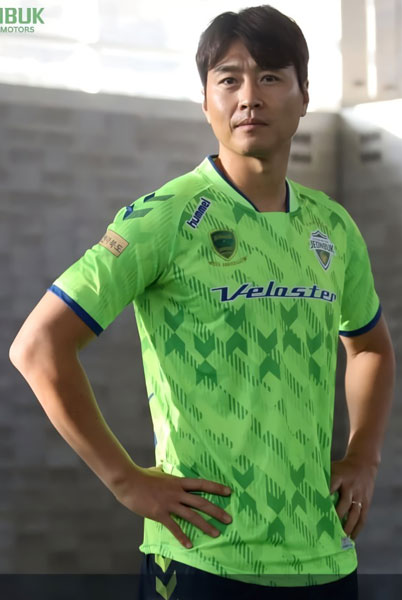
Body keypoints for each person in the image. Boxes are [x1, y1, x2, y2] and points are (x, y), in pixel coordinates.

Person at [9, 4, 395, 600]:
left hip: (324, 556)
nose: (249, 97)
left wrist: (363, 456)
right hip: (203, 559)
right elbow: (38, 346)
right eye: (229, 79)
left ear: (304, 96)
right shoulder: (165, 217)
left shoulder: (333, 228)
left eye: (271, 77)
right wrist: (127, 481)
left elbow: (369, 347)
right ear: (206, 102)